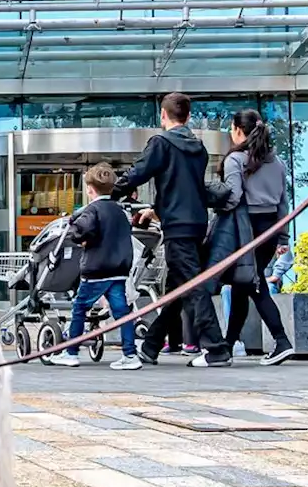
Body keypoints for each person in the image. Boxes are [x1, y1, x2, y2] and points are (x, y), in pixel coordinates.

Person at [112, 92, 231, 368]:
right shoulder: (198, 148)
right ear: (188, 117)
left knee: (192, 285)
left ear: (163, 116)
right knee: (180, 286)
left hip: (176, 224)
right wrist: (156, 208)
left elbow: (139, 173)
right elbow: (183, 187)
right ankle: (151, 345)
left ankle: (216, 349)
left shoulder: (161, 143)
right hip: (196, 221)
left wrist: (111, 193)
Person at [219, 109, 295, 366]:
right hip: (270, 228)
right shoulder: (277, 162)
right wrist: (283, 238)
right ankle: (227, 346)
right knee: (243, 285)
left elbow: (233, 197)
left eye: (231, 128)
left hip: (245, 228)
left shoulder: (235, 161)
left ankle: (281, 340)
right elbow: (283, 203)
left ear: (239, 131)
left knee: (253, 283)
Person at [48, 163, 140, 370]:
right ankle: (130, 354)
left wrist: (80, 238)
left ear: (90, 189)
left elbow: (81, 232)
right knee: (121, 311)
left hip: (96, 269)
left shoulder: (92, 210)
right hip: (119, 269)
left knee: (80, 308)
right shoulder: (120, 210)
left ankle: (71, 352)